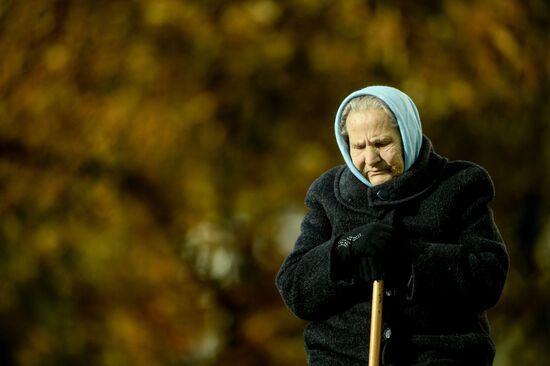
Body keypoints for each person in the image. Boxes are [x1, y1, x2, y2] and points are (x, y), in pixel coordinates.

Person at [275, 86, 509, 366]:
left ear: (407, 136)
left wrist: (409, 259)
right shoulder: (328, 195)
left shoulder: (458, 186)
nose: (370, 159)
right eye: (358, 146)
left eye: (382, 143)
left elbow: (488, 277)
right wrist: (345, 248)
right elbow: (294, 289)